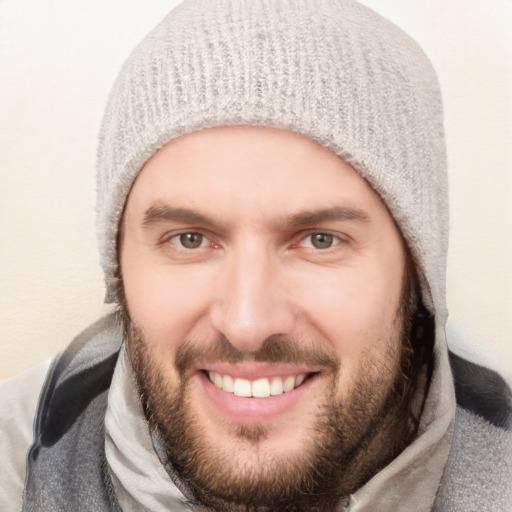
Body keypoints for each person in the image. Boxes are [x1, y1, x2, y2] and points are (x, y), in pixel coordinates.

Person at [1, 1, 510, 511]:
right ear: (120, 269)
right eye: (190, 239)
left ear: (415, 277)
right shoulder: (14, 465)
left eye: (319, 240)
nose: (247, 323)